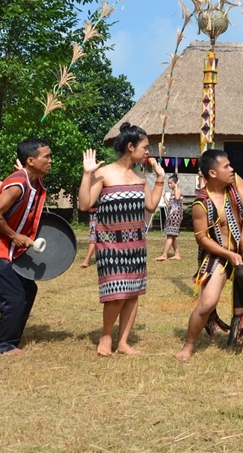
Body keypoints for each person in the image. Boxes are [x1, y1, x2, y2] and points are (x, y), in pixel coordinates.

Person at [175, 149, 243, 361]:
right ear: (212, 173)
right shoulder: (201, 203)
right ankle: (188, 345)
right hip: (218, 255)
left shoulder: (235, 183)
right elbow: (202, 239)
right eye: (226, 167)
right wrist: (228, 254)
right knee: (208, 303)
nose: (232, 169)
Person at [79, 123, 166, 356]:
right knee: (116, 294)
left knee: (132, 294)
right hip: (109, 243)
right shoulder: (105, 173)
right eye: (145, 147)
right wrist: (87, 174)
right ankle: (106, 336)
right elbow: (85, 204)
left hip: (136, 243)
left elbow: (150, 205)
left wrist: (160, 179)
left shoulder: (139, 176)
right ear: (131, 146)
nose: (148, 151)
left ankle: (123, 342)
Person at [0, 138, 52, 355]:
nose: (51, 161)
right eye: (47, 156)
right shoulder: (18, 184)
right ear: (31, 160)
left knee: (27, 288)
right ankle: (5, 346)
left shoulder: (34, 182)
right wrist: (15, 236)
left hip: (9, 248)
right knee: (13, 294)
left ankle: (12, 336)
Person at [156, 174, 183, 261]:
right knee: (172, 235)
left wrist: (176, 186)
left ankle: (164, 255)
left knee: (170, 235)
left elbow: (178, 197)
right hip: (171, 215)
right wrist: (164, 196)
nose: (169, 185)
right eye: (168, 183)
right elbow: (169, 205)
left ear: (175, 183)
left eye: (171, 183)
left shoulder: (178, 190)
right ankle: (177, 254)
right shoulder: (173, 192)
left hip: (175, 216)